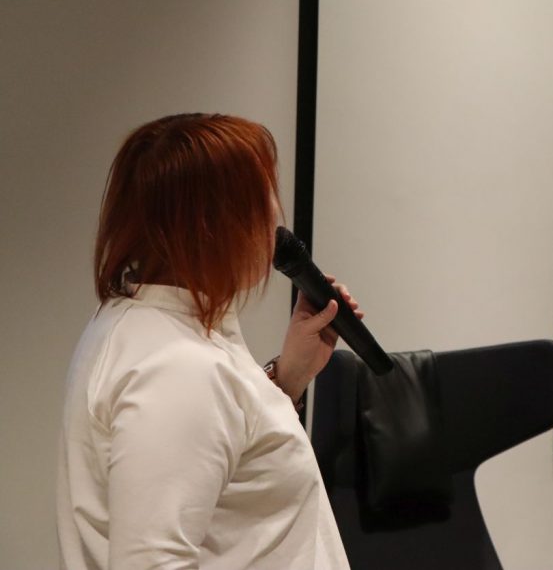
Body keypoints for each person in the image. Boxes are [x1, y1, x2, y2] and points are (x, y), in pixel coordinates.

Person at [57, 113, 354, 569]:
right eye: (261, 198)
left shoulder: (136, 323)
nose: (276, 218)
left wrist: (287, 378)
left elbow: (223, 469)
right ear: (211, 225)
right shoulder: (177, 369)